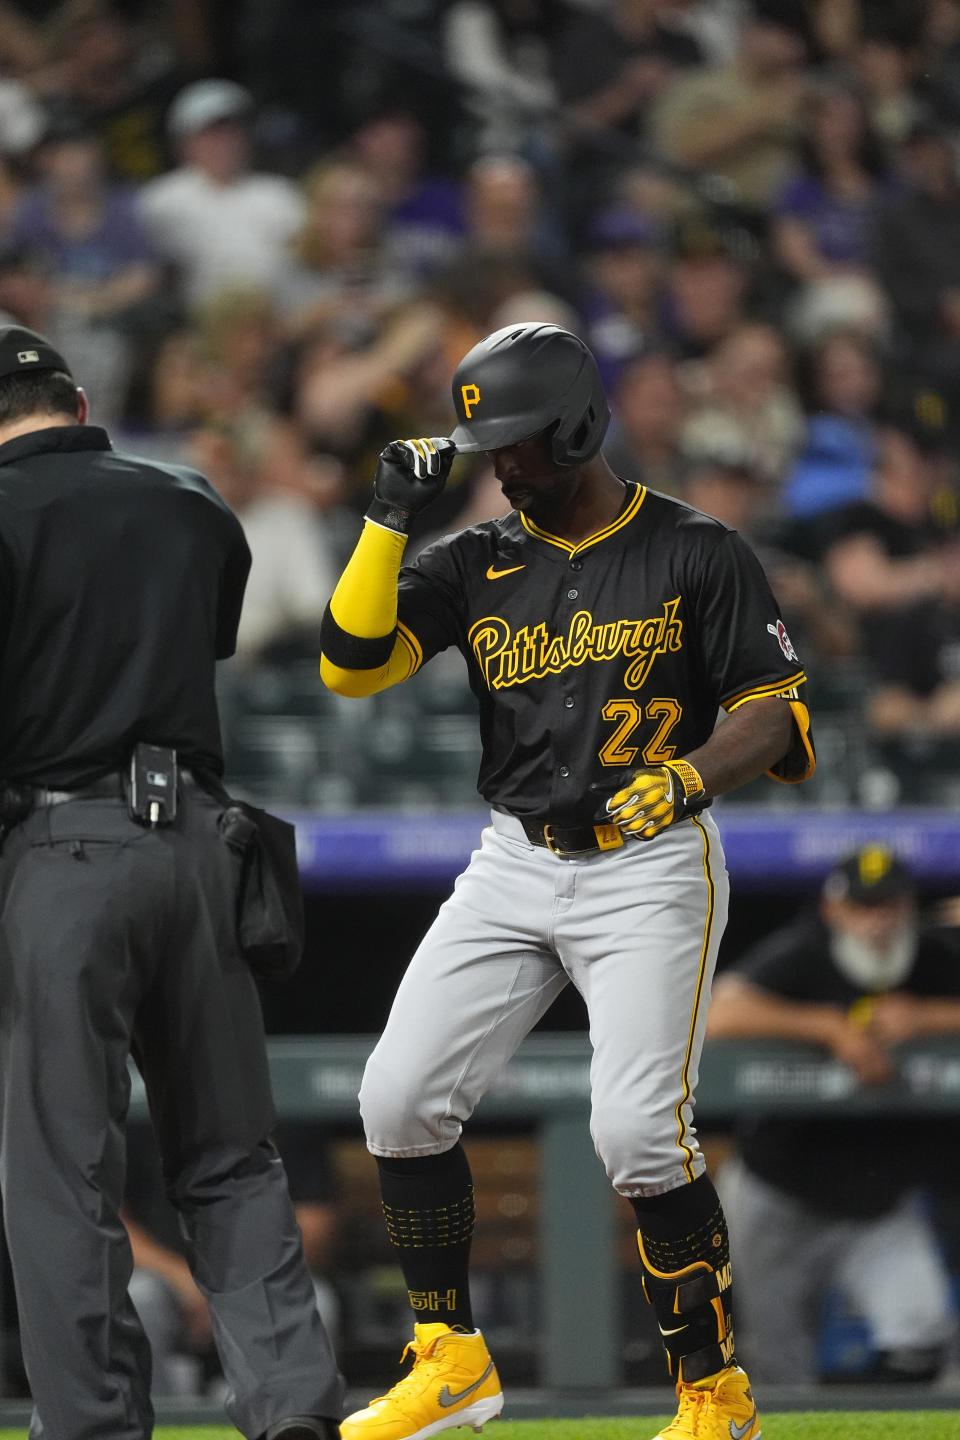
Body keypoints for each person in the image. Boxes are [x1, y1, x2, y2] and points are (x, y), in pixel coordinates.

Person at [319, 321, 816, 1440]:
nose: (502, 463)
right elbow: (349, 667)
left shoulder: (698, 548)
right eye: (489, 444)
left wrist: (687, 778)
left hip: (648, 866)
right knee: (395, 1100)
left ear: (581, 426)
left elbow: (771, 709)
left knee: (637, 1133)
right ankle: (452, 1360)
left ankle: (713, 1392)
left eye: (521, 443)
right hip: (515, 859)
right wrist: (386, 523)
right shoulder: (476, 557)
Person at [0, 324, 342, 1440]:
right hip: (203, 844)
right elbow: (213, 631)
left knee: (63, 1175)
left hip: (63, 850)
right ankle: (291, 1413)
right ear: (80, 399)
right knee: (233, 1158)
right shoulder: (190, 499)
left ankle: (97, 1430)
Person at [708, 845, 960, 1384]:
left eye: (889, 906)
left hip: (878, 1203)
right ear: (834, 909)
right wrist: (828, 1027)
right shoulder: (806, 953)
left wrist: (928, 1016)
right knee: (777, 1361)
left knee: (920, 1332)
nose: (878, 922)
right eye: (864, 907)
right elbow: (718, 1013)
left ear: (908, 907)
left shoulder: (932, 955)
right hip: (780, 1194)